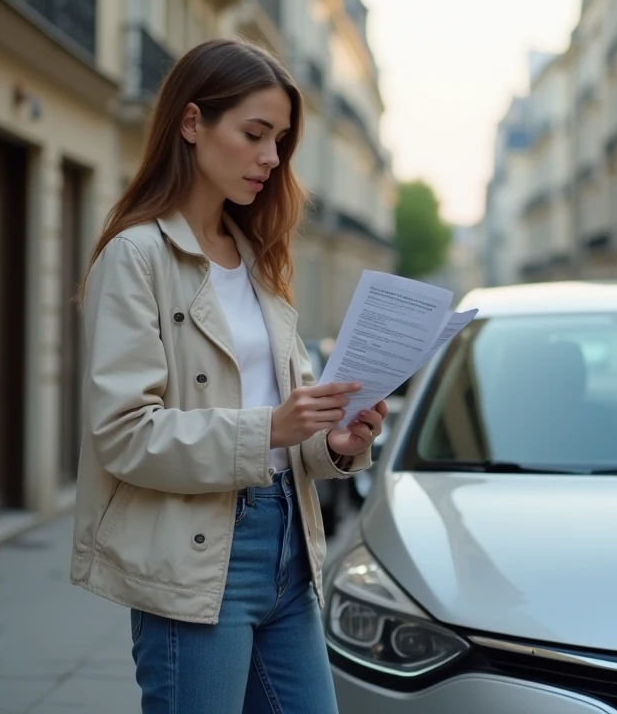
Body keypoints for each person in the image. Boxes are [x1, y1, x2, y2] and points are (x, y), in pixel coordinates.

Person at [70, 38, 386, 713]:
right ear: (192, 124)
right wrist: (270, 428)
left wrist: (334, 443)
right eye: (255, 134)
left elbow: (285, 423)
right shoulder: (136, 259)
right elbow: (123, 435)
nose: (272, 158)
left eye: (280, 140)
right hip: (197, 555)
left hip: (289, 551)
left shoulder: (259, 260)